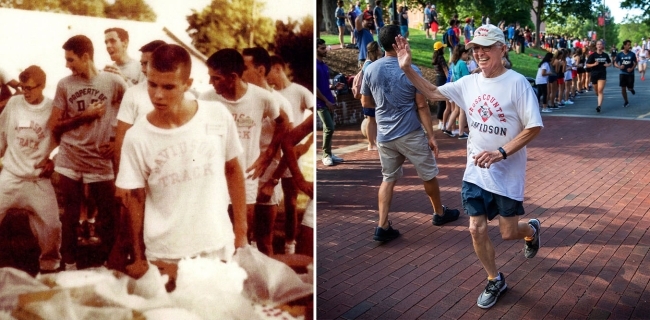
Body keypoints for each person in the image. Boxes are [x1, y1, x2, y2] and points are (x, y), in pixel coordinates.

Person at [393, 23, 543, 309]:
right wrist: (407, 69)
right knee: (475, 228)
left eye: (487, 47)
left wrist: (501, 152)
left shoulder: (517, 83)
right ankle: (494, 278)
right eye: (476, 47)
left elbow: (533, 127)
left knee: (508, 232)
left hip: (506, 173)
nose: (480, 53)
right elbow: (434, 92)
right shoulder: (469, 82)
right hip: (475, 170)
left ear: (503, 48)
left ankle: (531, 230)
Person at [116, 44, 247, 281]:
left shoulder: (217, 114)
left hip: (216, 245)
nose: (157, 95)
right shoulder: (137, 136)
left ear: (187, 84)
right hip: (165, 253)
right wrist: (138, 256)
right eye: (152, 84)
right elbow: (135, 199)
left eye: (168, 87)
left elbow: (233, 170)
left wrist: (241, 232)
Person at [360, 25, 461, 243]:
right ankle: (439, 213)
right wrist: (431, 136)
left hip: (385, 135)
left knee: (388, 179)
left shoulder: (369, 69)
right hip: (410, 133)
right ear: (400, 40)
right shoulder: (410, 69)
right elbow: (422, 106)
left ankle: (382, 225)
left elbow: (366, 102)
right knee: (428, 174)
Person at [46, 35, 127, 270]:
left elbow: (135, 111)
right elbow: (54, 125)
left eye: (70, 59)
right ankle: (69, 265)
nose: (67, 65)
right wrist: (85, 116)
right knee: (70, 215)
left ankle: (107, 265)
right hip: (70, 156)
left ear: (85, 56)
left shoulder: (113, 82)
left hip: (100, 160)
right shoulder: (65, 84)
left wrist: (116, 141)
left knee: (108, 216)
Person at [199, 48, 288, 249]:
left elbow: (283, 123)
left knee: (242, 233)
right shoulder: (205, 100)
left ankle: (242, 276)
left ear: (232, 77)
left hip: (246, 176)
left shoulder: (262, 98)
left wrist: (267, 155)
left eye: (215, 78)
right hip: (214, 176)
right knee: (215, 232)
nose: (210, 83)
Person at [0, 65, 62, 273]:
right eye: (23, 87)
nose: (25, 92)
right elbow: (1, 133)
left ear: (42, 86)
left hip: (38, 178)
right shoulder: (14, 104)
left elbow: (63, 140)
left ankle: (49, 266)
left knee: (52, 225)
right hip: (11, 175)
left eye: (30, 88)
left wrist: (54, 159)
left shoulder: (53, 108)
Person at [241, 46, 293, 255]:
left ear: (260, 70)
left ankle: (267, 286)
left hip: (267, 177)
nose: (239, 72)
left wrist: (272, 182)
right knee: (240, 239)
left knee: (264, 241)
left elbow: (288, 148)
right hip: (243, 177)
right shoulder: (242, 100)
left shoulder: (280, 103)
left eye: (244, 67)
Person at [266, 55, 314, 254]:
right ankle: (263, 241)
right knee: (269, 200)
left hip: (293, 154)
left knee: (291, 202)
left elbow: (317, 116)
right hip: (275, 153)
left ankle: (290, 244)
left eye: (268, 72)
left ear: (277, 68)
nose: (266, 78)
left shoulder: (299, 91)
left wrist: (307, 145)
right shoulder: (271, 95)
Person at [316, 38, 344, 167]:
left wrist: (333, 87)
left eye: (325, 47)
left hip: (329, 100)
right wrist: (326, 101)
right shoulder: (315, 65)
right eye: (322, 48)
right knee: (329, 127)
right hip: (321, 103)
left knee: (331, 128)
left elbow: (324, 85)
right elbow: (315, 88)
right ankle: (326, 155)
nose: (325, 50)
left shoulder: (324, 65)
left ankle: (330, 153)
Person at [361, 41, 381, 150]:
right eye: (379, 48)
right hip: (369, 96)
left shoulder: (371, 63)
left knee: (373, 119)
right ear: (376, 50)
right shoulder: (368, 64)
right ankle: (371, 144)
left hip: (372, 96)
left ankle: (375, 141)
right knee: (371, 120)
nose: (381, 50)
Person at [586, 40, 612, 113]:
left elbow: (610, 62)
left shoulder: (605, 55)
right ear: (596, 46)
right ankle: (599, 97)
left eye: (600, 44)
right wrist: (594, 64)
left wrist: (607, 65)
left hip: (602, 74)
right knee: (597, 91)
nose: (599, 45)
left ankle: (599, 106)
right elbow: (587, 65)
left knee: (600, 90)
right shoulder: (593, 55)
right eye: (598, 44)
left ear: (602, 46)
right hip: (594, 74)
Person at [614, 40, 637, 108]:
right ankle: (626, 101)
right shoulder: (620, 54)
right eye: (628, 45)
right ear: (624, 46)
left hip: (630, 74)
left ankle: (631, 89)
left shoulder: (632, 54)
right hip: (622, 73)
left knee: (629, 88)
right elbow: (615, 63)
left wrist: (632, 68)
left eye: (630, 45)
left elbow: (635, 62)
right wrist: (619, 66)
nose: (629, 46)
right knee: (623, 88)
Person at [431, 41, 448, 130]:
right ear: (441, 49)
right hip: (443, 79)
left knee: (441, 100)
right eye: (443, 47)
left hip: (438, 79)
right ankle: (442, 120)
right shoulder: (441, 57)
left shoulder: (435, 57)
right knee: (444, 101)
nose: (444, 49)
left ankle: (440, 120)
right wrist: (449, 80)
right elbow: (445, 69)